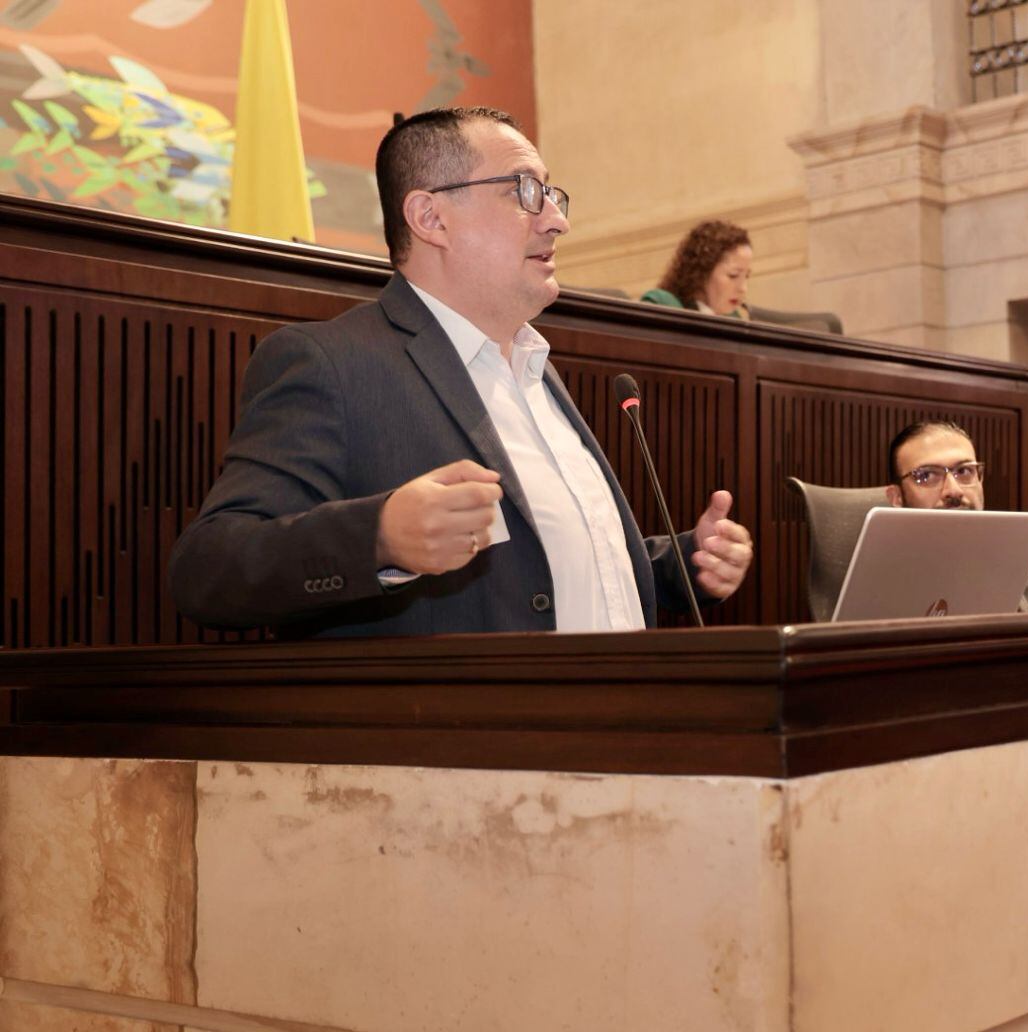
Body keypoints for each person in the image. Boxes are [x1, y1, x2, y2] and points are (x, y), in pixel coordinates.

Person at [168, 107, 752, 637]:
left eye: (552, 194)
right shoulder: (332, 364)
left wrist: (682, 563)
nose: (555, 221)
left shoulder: (534, 366)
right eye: (524, 190)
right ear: (431, 217)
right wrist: (379, 537)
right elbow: (209, 569)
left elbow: (548, 561)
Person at [885, 420, 1028, 611]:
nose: (953, 491)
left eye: (964, 471)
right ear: (896, 497)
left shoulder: (1004, 554)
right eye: (927, 475)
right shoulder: (880, 572)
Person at [639, 220, 752, 318]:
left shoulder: (735, 321)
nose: (743, 288)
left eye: (746, 276)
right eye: (733, 275)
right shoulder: (665, 306)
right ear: (702, 272)